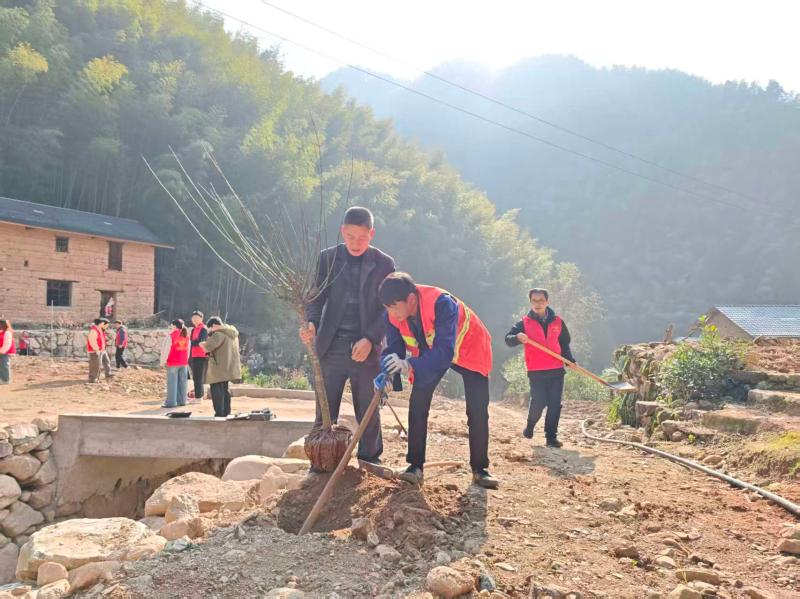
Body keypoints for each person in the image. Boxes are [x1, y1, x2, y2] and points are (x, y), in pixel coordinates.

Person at [378, 272, 498, 489]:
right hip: (431, 352)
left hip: (470, 349)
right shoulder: (393, 315)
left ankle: (480, 470)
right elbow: (393, 349)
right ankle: (415, 467)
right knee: (418, 403)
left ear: (411, 300)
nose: (391, 314)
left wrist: (409, 364)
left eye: (394, 307)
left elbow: (444, 353)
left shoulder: (442, 304)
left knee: (477, 411)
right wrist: (386, 375)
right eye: (387, 308)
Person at [300, 206, 395, 468]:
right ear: (342, 231)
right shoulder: (327, 259)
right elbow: (316, 298)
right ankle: (321, 463)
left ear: (371, 234)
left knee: (368, 409)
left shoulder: (384, 264)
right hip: (332, 345)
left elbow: (388, 309)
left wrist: (371, 339)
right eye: (351, 236)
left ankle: (369, 460)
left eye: (362, 238)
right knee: (325, 409)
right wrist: (312, 323)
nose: (355, 243)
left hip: (365, 347)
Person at [504, 288, 576, 448]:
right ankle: (530, 426)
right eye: (534, 301)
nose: (538, 304)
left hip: (556, 370)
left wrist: (569, 360)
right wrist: (517, 337)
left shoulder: (558, 322)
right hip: (536, 371)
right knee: (538, 402)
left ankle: (551, 437)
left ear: (547, 302)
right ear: (530, 302)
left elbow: (564, 344)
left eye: (541, 300)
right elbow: (508, 339)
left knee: (555, 404)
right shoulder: (524, 323)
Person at [201, 317, 241, 418]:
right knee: (225, 390)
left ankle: (219, 413)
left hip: (218, 368)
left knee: (217, 391)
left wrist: (202, 344)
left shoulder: (218, 334)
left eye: (210, 329)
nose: (210, 331)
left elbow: (208, 347)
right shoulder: (232, 334)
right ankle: (226, 412)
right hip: (228, 367)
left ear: (214, 325)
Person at [160, 319, 190, 409]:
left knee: (172, 383)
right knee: (182, 383)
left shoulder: (170, 336)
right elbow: (188, 350)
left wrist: (162, 362)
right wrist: (186, 360)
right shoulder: (187, 336)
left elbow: (166, 351)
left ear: (174, 326)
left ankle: (171, 402)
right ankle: (182, 401)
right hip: (184, 363)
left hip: (173, 362)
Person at [189, 310, 208, 401]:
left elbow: (201, 341)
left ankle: (198, 397)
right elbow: (193, 342)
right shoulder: (193, 329)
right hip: (194, 355)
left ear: (201, 318)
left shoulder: (203, 329)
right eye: (193, 318)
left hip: (201, 355)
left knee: (198, 377)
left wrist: (191, 343)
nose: (194, 319)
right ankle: (200, 395)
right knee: (196, 377)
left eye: (197, 318)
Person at [87, 318, 112, 383]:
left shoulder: (99, 329)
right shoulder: (94, 330)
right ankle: (93, 379)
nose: (106, 326)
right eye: (106, 324)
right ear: (102, 323)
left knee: (105, 362)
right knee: (95, 365)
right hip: (95, 351)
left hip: (101, 350)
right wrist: (96, 349)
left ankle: (107, 374)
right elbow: (92, 341)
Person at [0, 320, 15, 384]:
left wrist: (1, 351)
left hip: (5, 352)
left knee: (4, 365)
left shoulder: (7, 333)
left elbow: (7, 344)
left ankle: (6, 380)